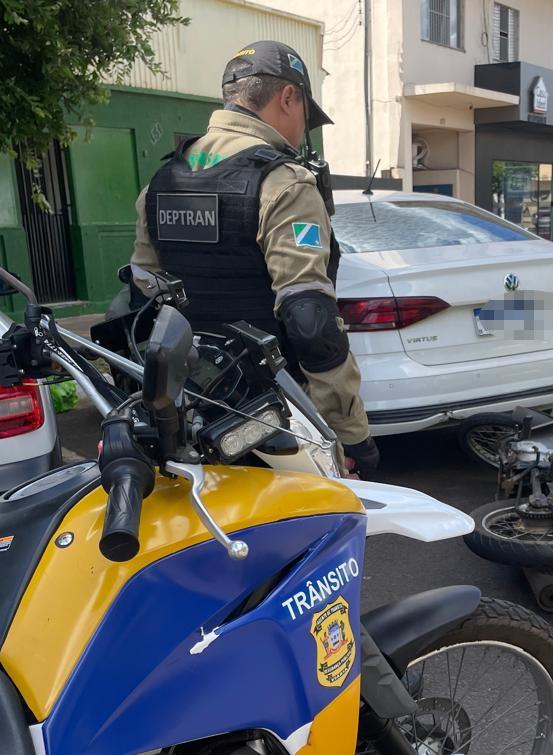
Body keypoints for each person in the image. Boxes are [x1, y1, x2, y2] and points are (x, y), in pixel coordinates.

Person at [128, 41, 380, 478]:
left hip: (188, 418)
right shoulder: (284, 183)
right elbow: (310, 320)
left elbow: (142, 303)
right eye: (305, 114)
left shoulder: (162, 182)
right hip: (274, 424)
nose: (303, 130)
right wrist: (349, 432)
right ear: (288, 98)